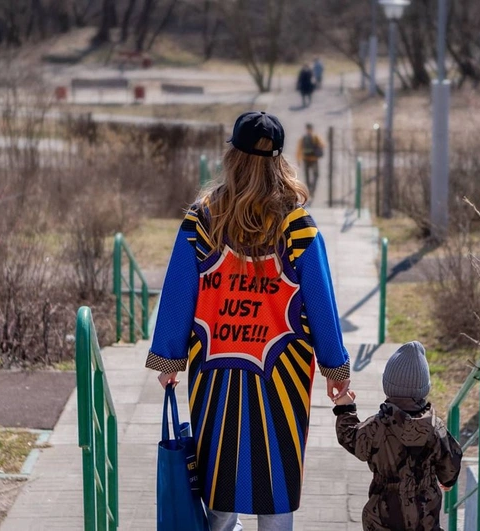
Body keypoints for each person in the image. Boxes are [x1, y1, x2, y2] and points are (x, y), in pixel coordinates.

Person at [147, 111, 351, 531]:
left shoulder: (202, 222)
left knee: (219, 486)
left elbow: (178, 292)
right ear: (279, 160)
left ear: (233, 157)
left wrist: (168, 360)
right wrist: (336, 367)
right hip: (283, 375)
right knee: (275, 485)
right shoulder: (297, 227)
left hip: (214, 370)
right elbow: (321, 303)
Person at [333, 341, 463, 531]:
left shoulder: (377, 426)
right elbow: (450, 462)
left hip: (382, 515)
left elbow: (350, 437)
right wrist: (447, 481)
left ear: (387, 386)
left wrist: (345, 408)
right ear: (424, 389)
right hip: (424, 515)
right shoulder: (436, 428)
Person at [295, 123, 324, 197]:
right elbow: (323, 145)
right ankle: (312, 189)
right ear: (312, 129)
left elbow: (299, 149)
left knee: (307, 176)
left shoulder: (303, 138)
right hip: (314, 159)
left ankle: (309, 190)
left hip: (305, 159)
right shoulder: (315, 137)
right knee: (316, 175)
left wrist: (298, 159)